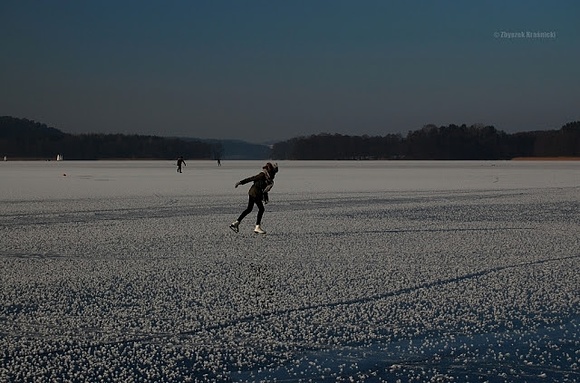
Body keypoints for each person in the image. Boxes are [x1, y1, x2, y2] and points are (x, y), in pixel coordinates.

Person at [230, 162, 278, 234]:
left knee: (249, 209)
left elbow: (265, 190)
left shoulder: (270, 180)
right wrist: (240, 182)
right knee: (261, 209)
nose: (275, 174)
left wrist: (266, 198)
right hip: (255, 193)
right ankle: (257, 227)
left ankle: (236, 223)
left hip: (253, 193)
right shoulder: (263, 175)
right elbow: (251, 178)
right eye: (274, 171)